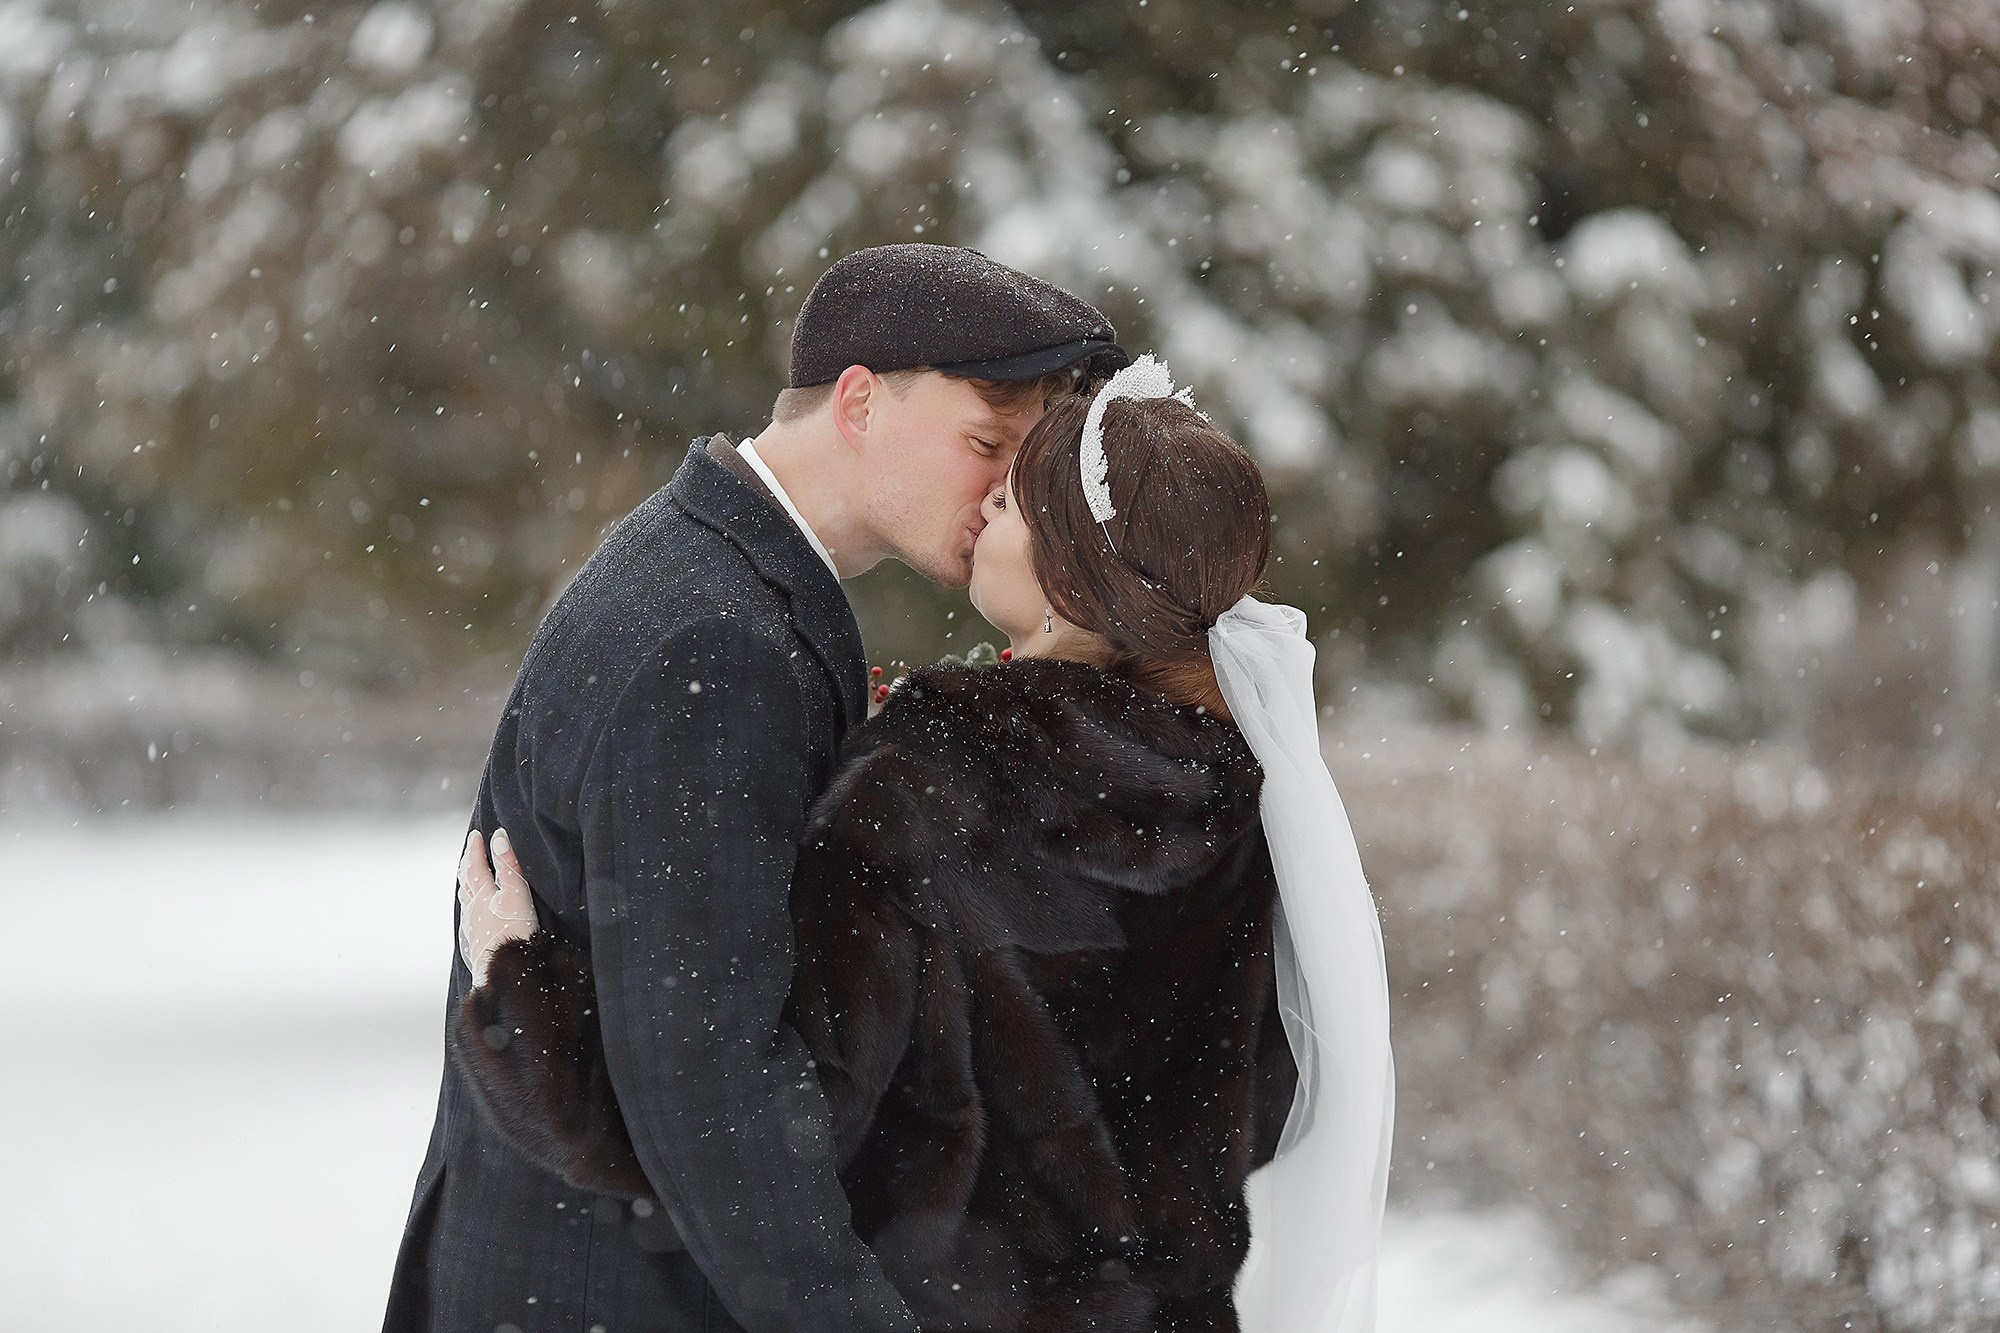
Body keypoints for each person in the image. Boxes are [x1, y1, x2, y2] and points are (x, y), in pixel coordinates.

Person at [450, 358, 1396, 1330]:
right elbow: (1270, 1096)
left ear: (1068, 579)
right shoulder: (1237, 792)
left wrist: (525, 1001)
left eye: (1011, 502)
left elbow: (768, 1124)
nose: (982, 509)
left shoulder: (934, 775)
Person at [383, 243, 1128, 1333]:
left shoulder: (715, 576)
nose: (1005, 492)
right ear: (859, 403)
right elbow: (714, 1095)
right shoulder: (717, 640)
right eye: (985, 445)